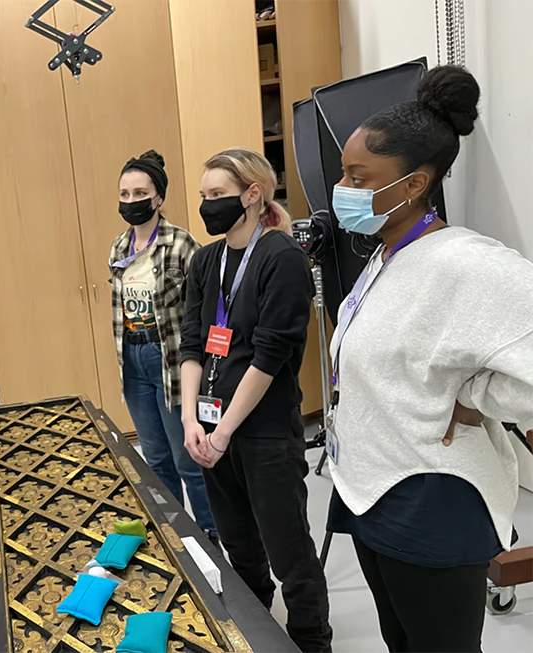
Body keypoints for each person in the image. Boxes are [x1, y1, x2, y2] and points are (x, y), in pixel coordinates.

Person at [324, 65, 533, 653]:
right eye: (344, 172)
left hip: (429, 500)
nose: (342, 187)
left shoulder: (468, 263)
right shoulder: (385, 255)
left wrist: (478, 396)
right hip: (370, 485)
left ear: (414, 184)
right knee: (401, 641)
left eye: (357, 176)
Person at [179, 148, 332, 652]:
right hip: (211, 427)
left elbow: (269, 357)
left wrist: (223, 432)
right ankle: (255, 633)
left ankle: (312, 640)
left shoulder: (281, 257)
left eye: (217, 196)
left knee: (288, 551)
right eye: (203, 197)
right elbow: (192, 345)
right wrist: (190, 423)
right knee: (239, 547)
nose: (207, 206)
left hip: (263, 433)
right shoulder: (207, 261)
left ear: (252, 194)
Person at [108, 150, 217, 539]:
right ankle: (178, 535)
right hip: (133, 359)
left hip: (168, 357)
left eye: (140, 192)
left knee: (188, 456)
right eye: (125, 193)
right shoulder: (118, 248)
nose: (132, 201)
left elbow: (200, 309)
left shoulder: (182, 244)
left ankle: (210, 535)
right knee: (154, 459)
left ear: (158, 198)